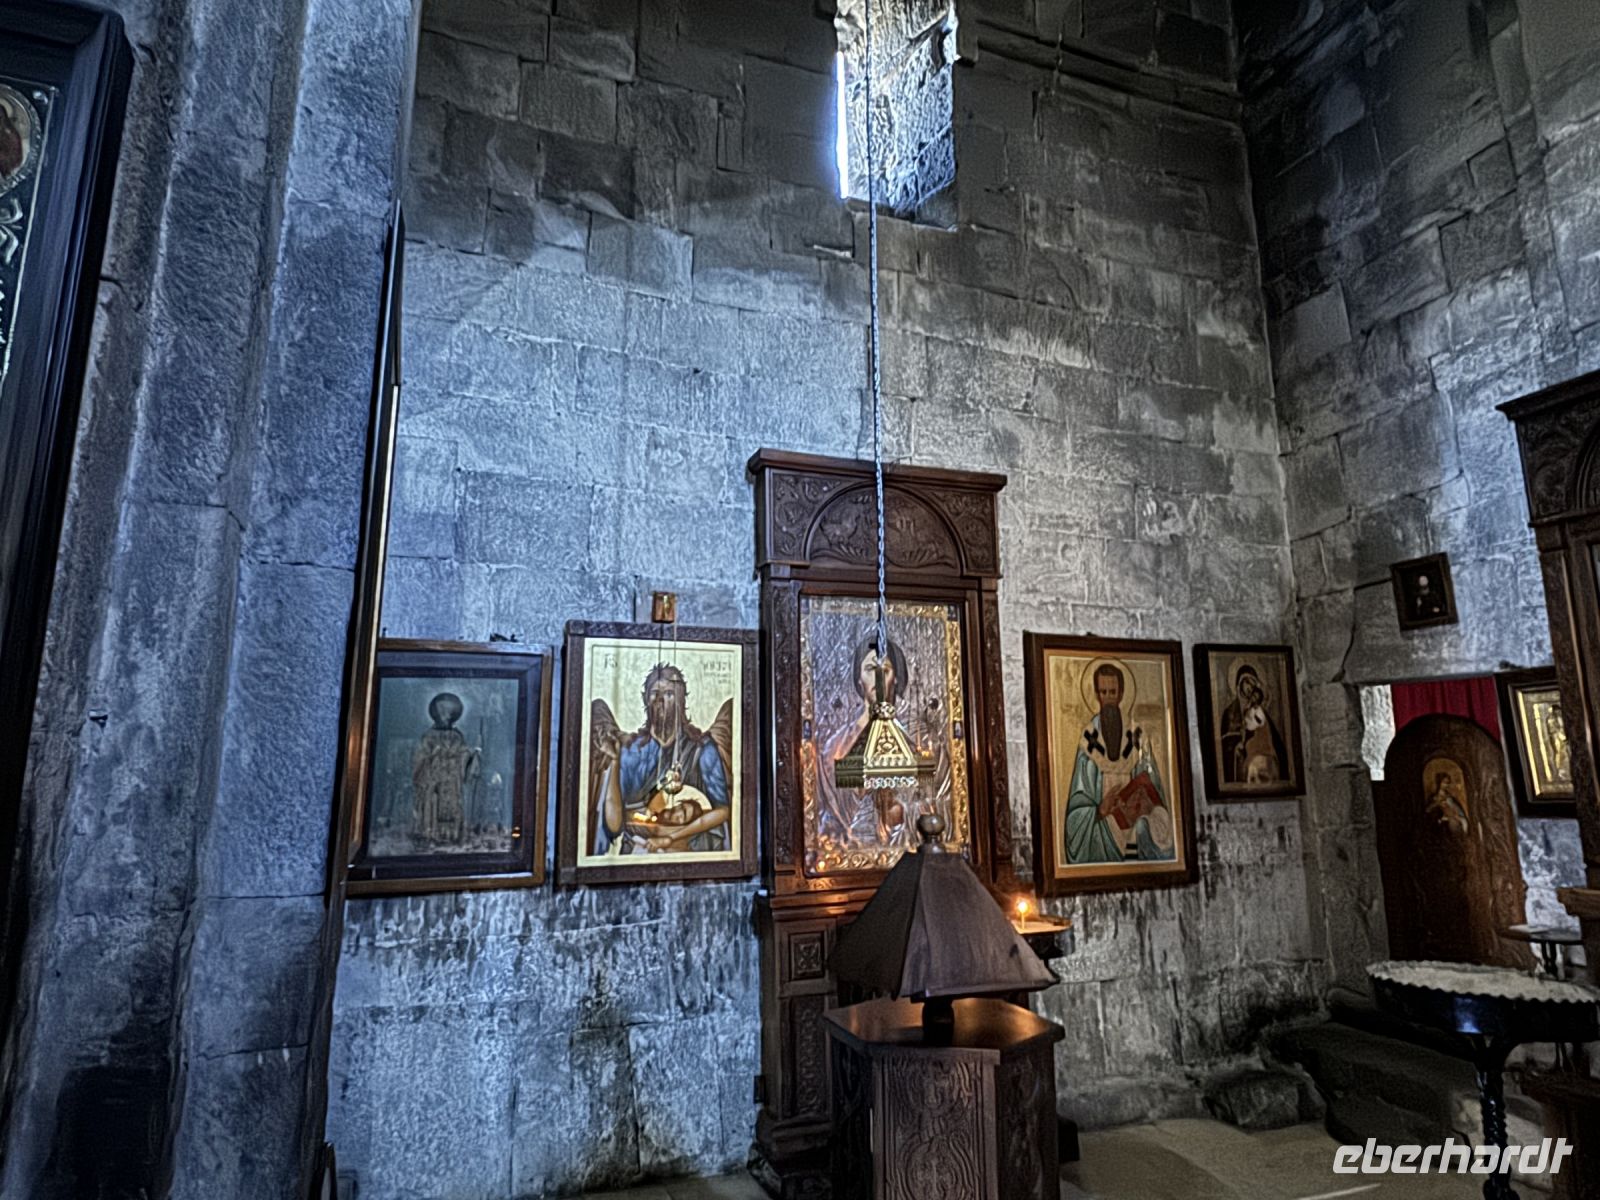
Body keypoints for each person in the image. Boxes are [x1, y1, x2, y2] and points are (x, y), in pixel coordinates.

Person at [808, 635, 951, 856]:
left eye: (884, 670)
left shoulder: (925, 739)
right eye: (869, 669)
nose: (877, 678)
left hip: (911, 853)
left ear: (896, 677)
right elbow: (827, 818)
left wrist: (904, 812)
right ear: (858, 679)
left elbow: (944, 800)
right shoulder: (835, 746)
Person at [588, 663, 732, 855]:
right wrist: (614, 762)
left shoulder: (701, 750)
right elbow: (614, 826)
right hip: (637, 852)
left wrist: (672, 837)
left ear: (681, 701)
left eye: (669, 694)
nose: (660, 700)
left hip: (690, 853)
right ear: (645, 699)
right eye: (654, 693)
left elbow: (723, 811)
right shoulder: (630, 753)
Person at [1063, 663, 1174, 864]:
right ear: (1097, 695)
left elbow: (1153, 788)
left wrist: (1142, 803)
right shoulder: (1088, 740)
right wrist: (1099, 810)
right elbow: (1077, 804)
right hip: (1103, 828)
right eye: (1103, 692)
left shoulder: (1137, 735)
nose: (1108, 699)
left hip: (1134, 827)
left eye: (1113, 692)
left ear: (1121, 694)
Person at [411, 692, 481, 845]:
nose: (445, 715)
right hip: (434, 778)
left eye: (448, 711)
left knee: (452, 804)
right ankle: (430, 834)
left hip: (452, 779)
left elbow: (462, 753)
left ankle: (451, 836)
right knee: (433, 804)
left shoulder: (457, 736)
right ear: (435, 712)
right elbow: (420, 757)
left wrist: (471, 755)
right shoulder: (429, 735)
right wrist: (431, 755)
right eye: (442, 710)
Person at [1219, 664, 1288, 785]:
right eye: (1247, 682)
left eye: (1252, 684)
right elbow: (1225, 742)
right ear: (1239, 684)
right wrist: (1237, 747)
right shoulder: (1230, 712)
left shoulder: (1259, 710)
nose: (1249, 687)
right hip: (1240, 761)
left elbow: (1274, 741)